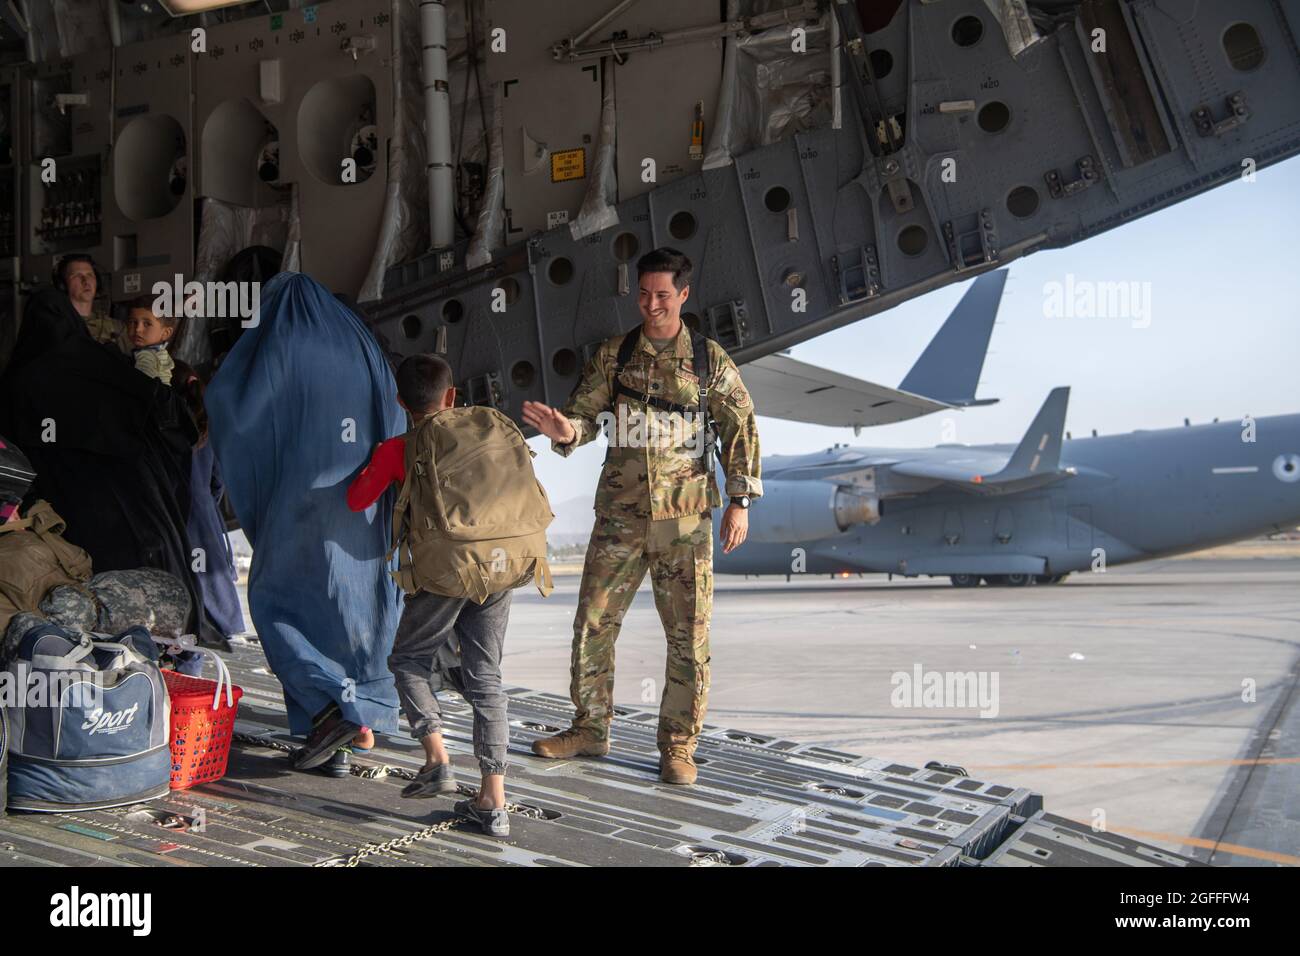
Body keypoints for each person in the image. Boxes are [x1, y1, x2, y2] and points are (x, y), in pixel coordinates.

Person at [522, 247, 762, 785]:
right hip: (620, 519)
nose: (651, 305)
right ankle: (590, 729)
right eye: (644, 294)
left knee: (688, 637)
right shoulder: (614, 355)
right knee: (592, 624)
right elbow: (583, 418)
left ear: (683, 295)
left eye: (662, 295)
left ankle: (678, 748)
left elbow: (740, 428)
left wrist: (740, 501)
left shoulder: (708, 360)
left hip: (686, 520)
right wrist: (566, 432)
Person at [206, 272, 405, 780]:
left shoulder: (284, 340)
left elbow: (240, 406)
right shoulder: (364, 350)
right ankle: (354, 723)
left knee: (280, 604)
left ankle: (324, 717)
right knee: (361, 616)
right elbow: (396, 421)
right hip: (363, 514)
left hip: (304, 505)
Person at [347, 354, 514, 837]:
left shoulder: (399, 449)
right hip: (500, 567)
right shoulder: (487, 438)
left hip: (445, 573)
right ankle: (493, 802)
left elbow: (356, 501)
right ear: (453, 397)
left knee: (408, 661)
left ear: (400, 402)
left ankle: (438, 758)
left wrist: (376, 461)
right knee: (485, 676)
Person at [0, 289, 208, 642]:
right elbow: (161, 412)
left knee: (82, 585)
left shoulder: (16, 380)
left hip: (62, 510)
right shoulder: (96, 366)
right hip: (123, 502)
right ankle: (159, 651)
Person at [55, 253, 124, 351]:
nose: (86, 281)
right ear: (63, 285)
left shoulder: (117, 328)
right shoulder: (56, 327)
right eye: (77, 276)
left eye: (90, 275)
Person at [125, 297, 178, 385]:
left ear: (165, 333)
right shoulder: (161, 352)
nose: (138, 329)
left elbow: (141, 385)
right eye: (133, 322)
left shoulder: (146, 356)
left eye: (147, 324)